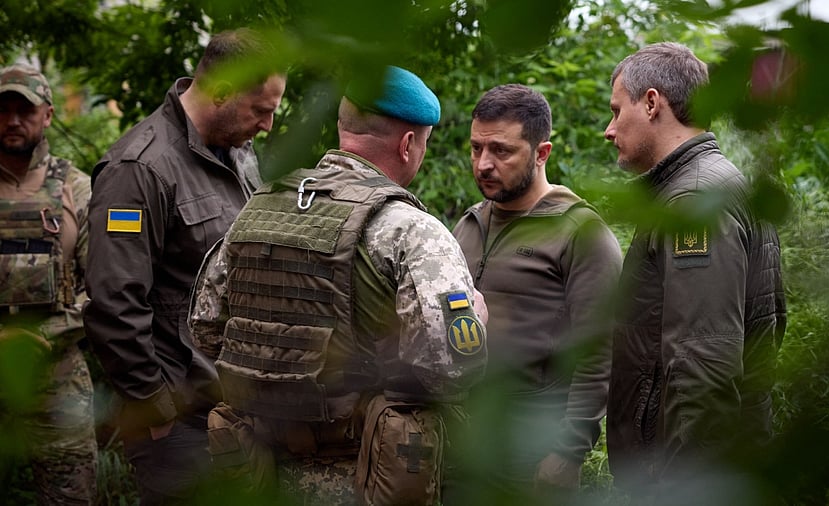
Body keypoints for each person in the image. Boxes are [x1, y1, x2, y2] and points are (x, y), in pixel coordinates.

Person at [189, 65, 487, 505]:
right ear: (408, 145)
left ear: (343, 129)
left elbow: (206, 329)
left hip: (258, 472)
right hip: (363, 475)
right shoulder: (409, 230)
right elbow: (452, 367)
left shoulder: (257, 210)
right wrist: (476, 321)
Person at [84, 28, 286, 504]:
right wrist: (158, 414)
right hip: (183, 427)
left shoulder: (237, 152)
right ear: (220, 93)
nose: (268, 126)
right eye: (261, 110)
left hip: (242, 411)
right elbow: (114, 305)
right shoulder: (139, 170)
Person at [603, 42, 786, 504]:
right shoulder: (703, 187)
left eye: (616, 110)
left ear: (651, 103)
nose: (609, 129)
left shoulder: (694, 201)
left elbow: (703, 366)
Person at [449, 84, 623, 503]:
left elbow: (600, 350)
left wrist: (568, 452)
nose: (484, 164)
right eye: (476, 148)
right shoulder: (469, 225)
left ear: (541, 153)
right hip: (462, 442)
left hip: (533, 449)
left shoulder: (580, 232)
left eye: (501, 151)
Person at [0, 64, 97, 504]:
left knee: (69, 496)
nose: (12, 120)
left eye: (25, 109)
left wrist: (46, 334)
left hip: (57, 376)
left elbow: (104, 288)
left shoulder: (78, 188)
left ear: (48, 115)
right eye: (2, 110)